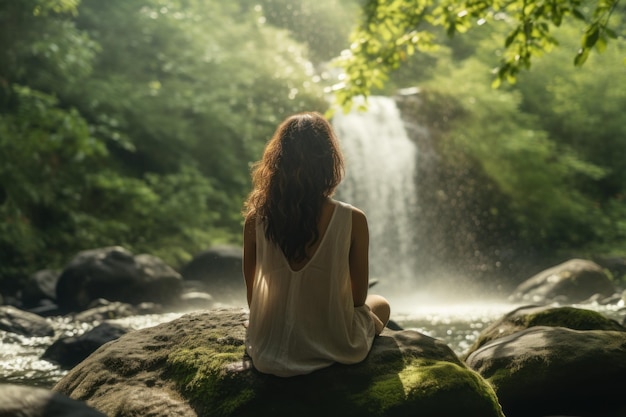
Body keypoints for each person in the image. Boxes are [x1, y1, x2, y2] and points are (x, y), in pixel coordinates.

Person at [242, 111, 391, 377]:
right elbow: (358, 299)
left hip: (269, 348)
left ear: (277, 162)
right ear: (329, 162)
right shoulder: (352, 219)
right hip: (333, 343)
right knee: (380, 303)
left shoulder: (256, 220)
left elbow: (255, 300)